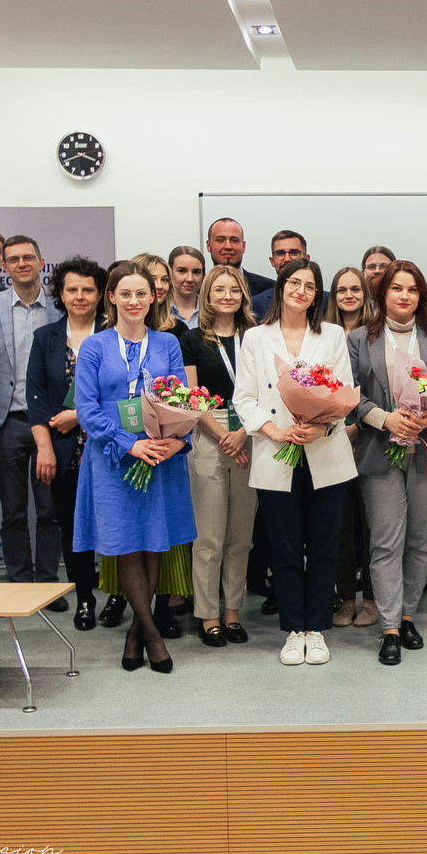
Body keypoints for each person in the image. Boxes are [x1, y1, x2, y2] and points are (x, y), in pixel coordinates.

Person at [73, 262, 195, 673]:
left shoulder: (167, 344)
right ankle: (151, 636)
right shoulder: (94, 346)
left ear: (153, 297)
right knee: (126, 544)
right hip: (113, 461)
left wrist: (176, 440)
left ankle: (136, 633)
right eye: (125, 293)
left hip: (159, 458)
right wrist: (131, 443)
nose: (134, 301)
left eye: (141, 293)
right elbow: (87, 411)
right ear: (111, 297)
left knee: (154, 542)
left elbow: (181, 400)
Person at [234, 258, 358, 666]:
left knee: (323, 546)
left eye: (310, 286)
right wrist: (273, 431)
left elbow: (342, 392)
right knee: (284, 549)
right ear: (281, 286)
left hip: (325, 451)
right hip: (276, 452)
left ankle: (316, 629)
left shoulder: (332, 334)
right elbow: (244, 398)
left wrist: (320, 427)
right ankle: (293, 630)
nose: (301, 291)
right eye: (294, 283)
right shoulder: (255, 337)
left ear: (317, 295)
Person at [349, 261, 427, 665]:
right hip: (379, 451)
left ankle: (408, 616)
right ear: (383, 294)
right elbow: (350, 396)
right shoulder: (359, 338)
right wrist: (385, 418)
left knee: (419, 541)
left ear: (421, 296)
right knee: (385, 542)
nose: (404, 296)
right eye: (396, 288)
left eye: (412, 289)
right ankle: (389, 627)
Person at [0, 235, 64, 605]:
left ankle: (48, 584)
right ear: (4, 266)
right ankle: (20, 584)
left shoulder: (60, 306)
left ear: (41, 263)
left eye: (28, 257)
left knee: (50, 509)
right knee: (12, 510)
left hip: (52, 422)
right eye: (13, 259)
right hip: (7, 421)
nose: (21, 264)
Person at [180, 264, 258, 648]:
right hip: (209, 434)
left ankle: (232, 612)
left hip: (251, 434)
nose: (227, 296)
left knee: (240, 536)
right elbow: (192, 398)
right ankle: (208, 615)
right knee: (209, 537)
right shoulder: (192, 339)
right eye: (219, 290)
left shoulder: (256, 338)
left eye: (234, 290)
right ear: (207, 296)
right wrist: (225, 437)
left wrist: (243, 434)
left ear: (243, 295)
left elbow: (268, 392)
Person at [28, 256, 107, 630]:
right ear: (60, 294)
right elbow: (36, 398)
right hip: (62, 450)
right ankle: (85, 599)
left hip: (109, 446)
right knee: (73, 528)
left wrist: (78, 415)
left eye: (87, 289)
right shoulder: (45, 338)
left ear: (100, 294)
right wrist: (43, 447)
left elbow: (124, 394)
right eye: (72, 289)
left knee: (112, 525)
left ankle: (118, 597)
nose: (80, 296)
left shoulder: (113, 334)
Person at [323, 266, 378, 629]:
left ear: (365, 294)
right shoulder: (322, 335)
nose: (348, 295)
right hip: (330, 442)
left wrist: (356, 427)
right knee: (340, 527)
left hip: (369, 440)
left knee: (372, 526)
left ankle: (371, 600)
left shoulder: (376, 335)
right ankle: (345, 599)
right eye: (341, 289)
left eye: (355, 289)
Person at [250, 230, 319, 320]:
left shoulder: (326, 302)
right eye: (280, 253)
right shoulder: (255, 304)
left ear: (307, 259)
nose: (287, 259)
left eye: (294, 252)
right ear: (272, 261)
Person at [206, 216, 272, 297]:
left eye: (234, 240)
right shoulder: (196, 289)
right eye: (220, 240)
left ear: (243, 246)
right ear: (208, 246)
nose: (228, 246)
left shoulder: (270, 289)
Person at [131, 252, 179, 336]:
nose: (160, 286)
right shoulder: (111, 329)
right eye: (152, 279)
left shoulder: (177, 329)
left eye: (164, 280)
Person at [167, 246, 205, 331]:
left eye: (196, 272)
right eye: (182, 271)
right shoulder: (158, 312)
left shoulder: (211, 310)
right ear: (170, 273)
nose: (190, 279)